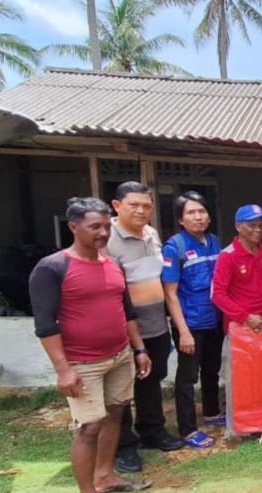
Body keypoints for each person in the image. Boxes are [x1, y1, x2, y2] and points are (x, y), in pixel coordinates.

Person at [29, 197, 153, 493]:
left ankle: (105, 476)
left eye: (106, 225)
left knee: (115, 413)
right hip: (82, 363)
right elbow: (45, 324)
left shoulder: (113, 264)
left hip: (120, 355)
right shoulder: (53, 268)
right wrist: (63, 370)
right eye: (94, 227)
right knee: (89, 427)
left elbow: (126, 312)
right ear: (73, 227)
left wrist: (139, 349)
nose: (103, 232)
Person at [107, 181, 183, 474]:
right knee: (123, 387)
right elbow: (115, 292)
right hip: (126, 325)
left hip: (156, 323)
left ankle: (152, 431)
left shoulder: (151, 234)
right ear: (117, 206)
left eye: (146, 205)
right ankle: (124, 446)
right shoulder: (109, 239)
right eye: (134, 205)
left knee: (152, 380)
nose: (141, 211)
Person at [161, 191, 223, 450]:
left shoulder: (214, 242)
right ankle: (187, 429)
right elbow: (170, 294)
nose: (198, 217)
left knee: (212, 370)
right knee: (187, 378)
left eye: (202, 211)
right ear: (180, 219)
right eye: (191, 213)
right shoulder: (175, 247)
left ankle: (211, 412)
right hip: (190, 323)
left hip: (214, 319)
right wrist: (183, 332)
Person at [211, 204, 262, 331]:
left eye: (261, 225)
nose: (258, 230)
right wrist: (245, 317)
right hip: (240, 325)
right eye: (252, 225)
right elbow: (217, 295)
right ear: (238, 227)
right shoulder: (227, 256)